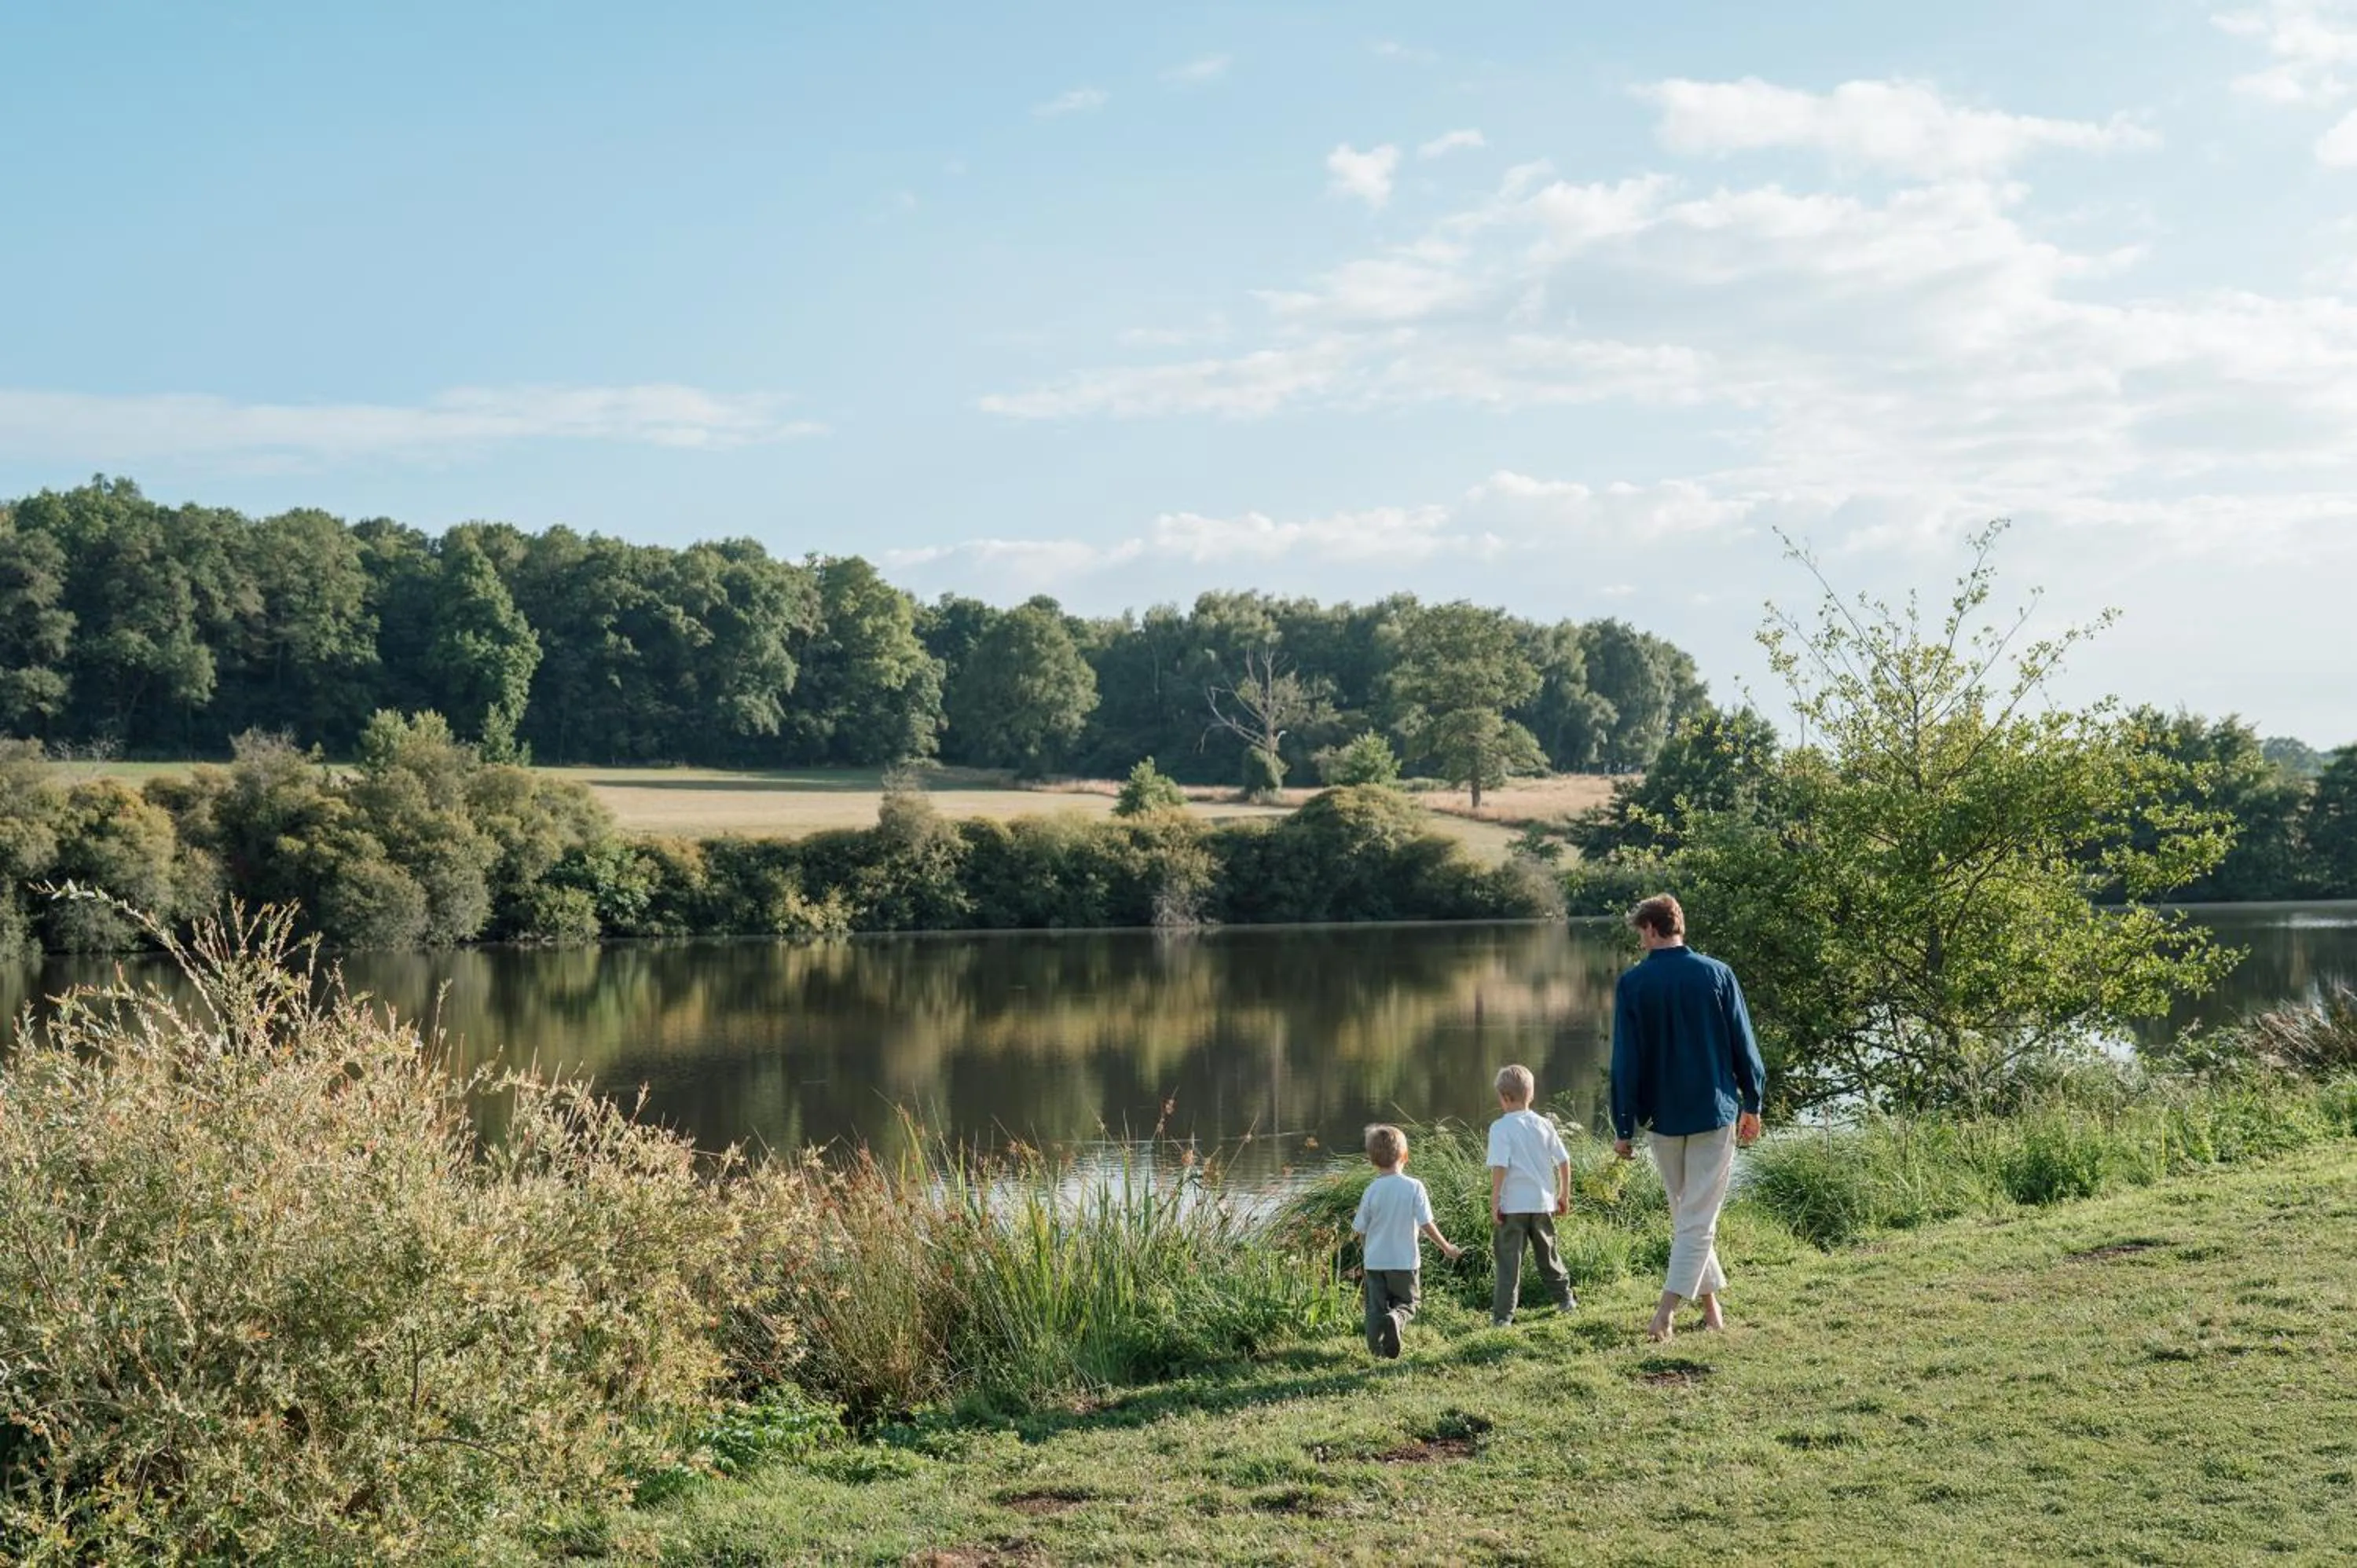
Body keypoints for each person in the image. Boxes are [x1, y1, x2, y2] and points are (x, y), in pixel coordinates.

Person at [1609, 893, 1766, 1343]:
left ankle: (1671, 1311)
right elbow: (1744, 1044)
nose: (1639, 941)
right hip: (1713, 1111)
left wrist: (1624, 1126)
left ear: (1654, 929)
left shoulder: (1634, 984)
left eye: (1640, 931)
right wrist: (1752, 1101)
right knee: (1693, 1218)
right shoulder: (1717, 974)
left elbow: (1627, 1062)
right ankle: (1703, 1310)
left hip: (1663, 1118)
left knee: (1690, 1216)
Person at [1351, 1123, 1462, 1358]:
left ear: (1372, 1160)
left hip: (1375, 1262)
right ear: (1405, 1156)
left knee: (1374, 1309)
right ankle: (1397, 1318)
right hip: (1404, 1261)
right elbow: (1426, 1224)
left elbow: (1361, 1229)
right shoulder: (1414, 1187)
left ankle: (1376, 1351)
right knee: (1409, 1303)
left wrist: (1366, 1251)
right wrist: (1446, 1247)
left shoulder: (1371, 1190)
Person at [1486, 1064, 1576, 1327]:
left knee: (1508, 1264)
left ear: (1504, 1098)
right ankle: (1565, 1299)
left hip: (1512, 1207)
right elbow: (1563, 1160)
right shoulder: (1544, 1124)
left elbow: (1500, 1167)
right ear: (1531, 1095)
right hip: (1542, 1204)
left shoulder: (1500, 1128)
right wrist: (1564, 1194)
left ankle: (1503, 1317)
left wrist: (1495, 1200)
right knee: (1548, 1256)